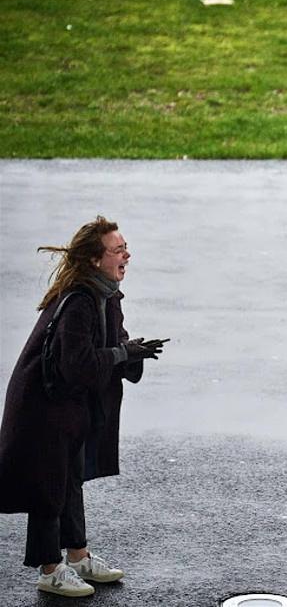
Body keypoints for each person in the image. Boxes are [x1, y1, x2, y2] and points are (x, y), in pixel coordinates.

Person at [0, 216, 166, 598]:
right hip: (43, 408)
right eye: (118, 249)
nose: (127, 254)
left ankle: (77, 557)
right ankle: (49, 570)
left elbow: (111, 348)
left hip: (67, 407)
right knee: (49, 486)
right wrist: (122, 352)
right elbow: (75, 366)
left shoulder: (106, 296)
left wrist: (133, 352)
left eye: (125, 247)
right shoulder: (80, 301)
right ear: (95, 259)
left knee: (69, 481)